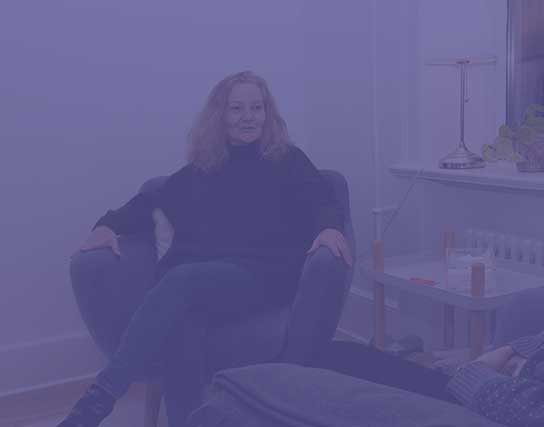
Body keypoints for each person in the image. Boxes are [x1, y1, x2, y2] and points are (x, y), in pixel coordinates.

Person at [58, 71, 353, 427]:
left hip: (259, 275)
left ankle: (98, 400)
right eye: (237, 108)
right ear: (220, 116)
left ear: (267, 113)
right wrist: (106, 225)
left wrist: (330, 227)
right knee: (181, 324)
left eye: (257, 107)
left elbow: (323, 199)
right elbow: (149, 201)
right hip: (202, 283)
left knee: (181, 281)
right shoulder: (203, 169)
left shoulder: (288, 160)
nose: (248, 116)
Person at [309, 244, 544, 427]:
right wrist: (511, 349)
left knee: (337, 361)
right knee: (340, 355)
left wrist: (471, 375)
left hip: (498, 404)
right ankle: (420, 360)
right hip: (510, 376)